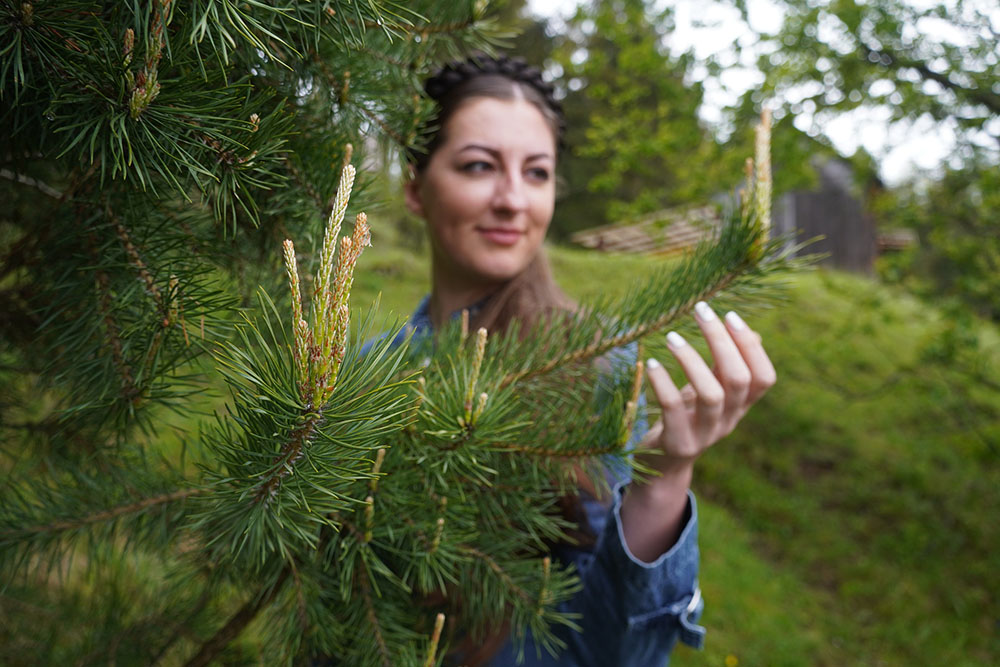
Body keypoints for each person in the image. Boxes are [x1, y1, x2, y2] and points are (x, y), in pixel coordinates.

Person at [401, 54, 777, 666]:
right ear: (415, 186)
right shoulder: (357, 373)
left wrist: (662, 482)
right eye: (478, 166)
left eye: (537, 173)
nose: (512, 200)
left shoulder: (598, 365)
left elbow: (613, 649)